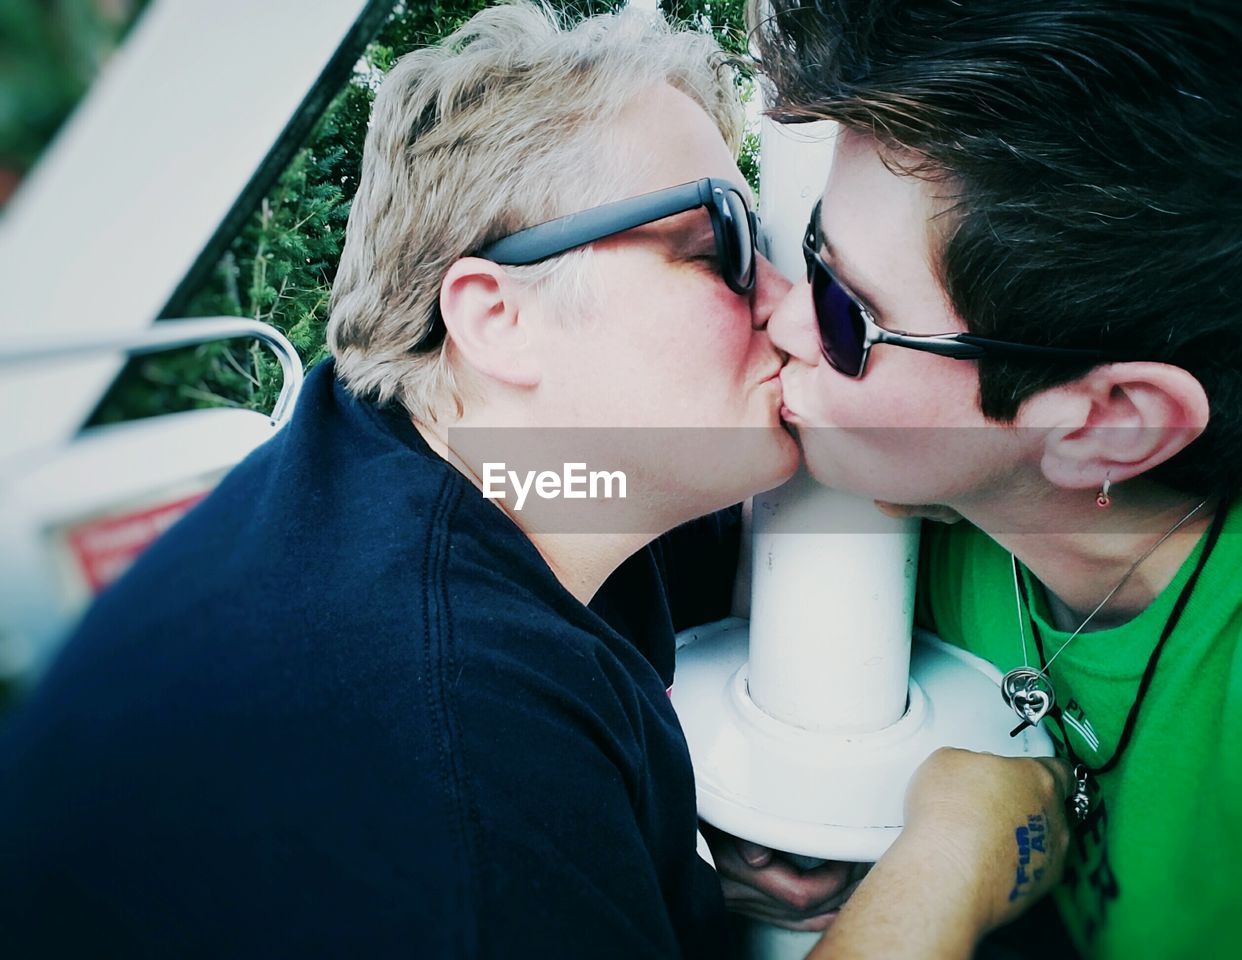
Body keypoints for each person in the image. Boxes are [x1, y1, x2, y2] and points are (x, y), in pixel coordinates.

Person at [0, 3, 1072, 957]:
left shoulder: (451, 465)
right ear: (495, 317)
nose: (790, 305)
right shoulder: (434, 755)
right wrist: (957, 857)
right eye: (719, 244)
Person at [750, 0, 1242, 957]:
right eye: (810, 253)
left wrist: (941, 873)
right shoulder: (924, 514)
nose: (785, 324)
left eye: (845, 316)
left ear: (1108, 424)